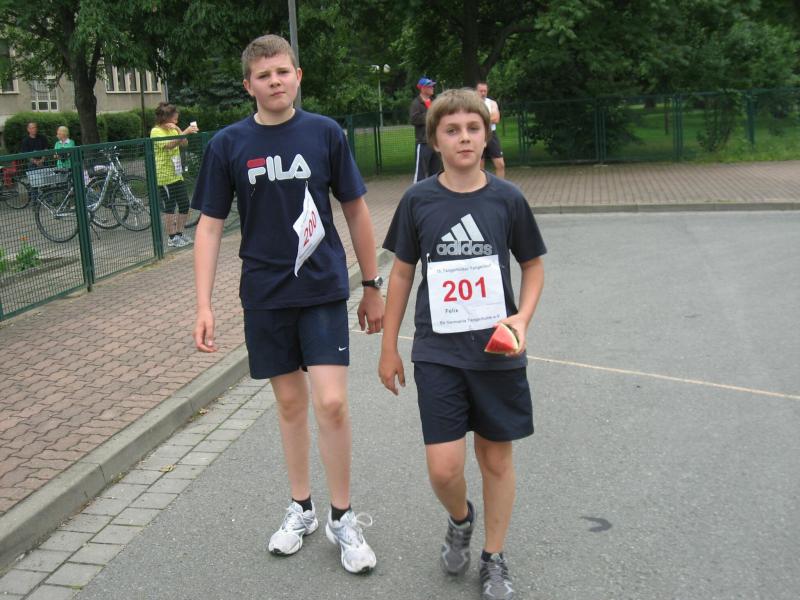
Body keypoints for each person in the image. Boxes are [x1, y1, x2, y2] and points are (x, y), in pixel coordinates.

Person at [192, 34, 384, 575]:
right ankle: (301, 508)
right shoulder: (228, 144)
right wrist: (203, 304)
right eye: (264, 75)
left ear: (298, 76)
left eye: (283, 71)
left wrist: (372, 284)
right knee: (291, 405)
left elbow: (356, 210)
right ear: (249, 85)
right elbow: (209, 227)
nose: (275, 81)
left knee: (332, 403)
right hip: (265, 295)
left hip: (321, 289)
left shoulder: (324, 133)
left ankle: (342, 516)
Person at [379, 89, 546, 600]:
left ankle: (494, 558)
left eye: (473, 128)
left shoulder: (507, 199)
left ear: (487, 134)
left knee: (495, 459)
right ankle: (460, 518)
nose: (465, 138)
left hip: (497, 351)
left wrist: (521, 318)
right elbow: (402, 274)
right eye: (452, 130)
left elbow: (533, 266)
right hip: (438, 352)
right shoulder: (418, 200)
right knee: (444, 467)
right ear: (435, 140)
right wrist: (389, 346)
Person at [150, 102, 198, 248]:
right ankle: (172, 238)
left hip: (176, 174)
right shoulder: (156, 131)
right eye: (174, 119)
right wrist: (185, 131)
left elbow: (184, 143)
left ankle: (180, 233)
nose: (176, 121)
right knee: (170, 207)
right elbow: (169, 145)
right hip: (164, 176)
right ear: (165, 118)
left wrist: (178, 129)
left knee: (184, 204)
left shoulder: (173, 129)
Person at [410, 76, 442, 182]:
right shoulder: (416, 103)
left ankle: (434, 190)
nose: (432, 88)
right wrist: (431, 116)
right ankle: (418, 191)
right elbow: (414, 119)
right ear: (423, 88)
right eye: (430, 86)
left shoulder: (434, 101)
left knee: (436, 172)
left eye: (432, 86)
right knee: (421, 172)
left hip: (435, 142)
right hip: (423, 142)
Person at [476, 82, 505, 178]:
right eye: (481, 91)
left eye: (485, 91)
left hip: (491, 134)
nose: (483, 93)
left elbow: (496, 119)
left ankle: (501, 185)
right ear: (476, 91)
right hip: (478, 135)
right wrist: (489, 117)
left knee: (500, 164)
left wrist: (479, 119)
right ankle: (481, 185)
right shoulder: (472, 104)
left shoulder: (492, 103)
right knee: (479, 167)